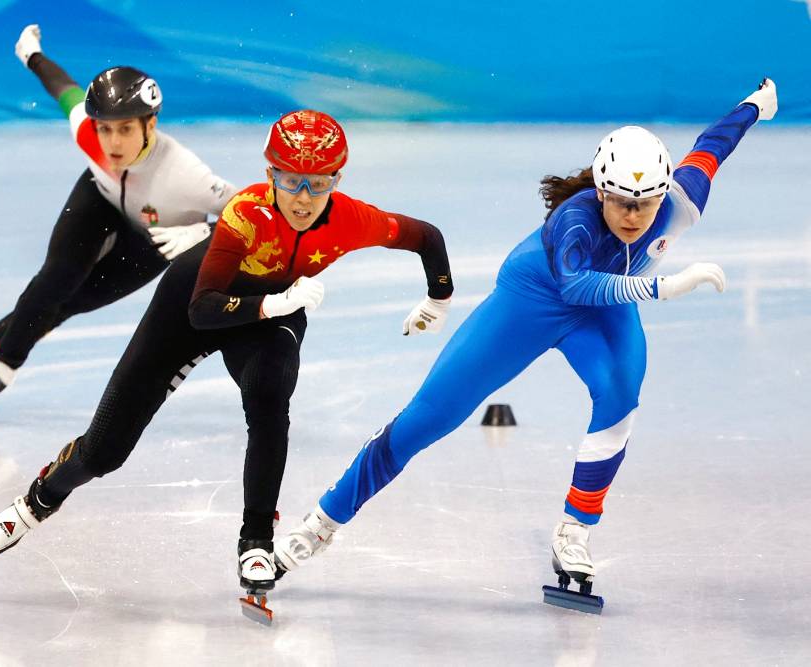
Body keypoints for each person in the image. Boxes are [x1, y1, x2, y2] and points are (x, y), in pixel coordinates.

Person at [274, 80, 778, 595]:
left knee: (620, 398)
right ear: (600, 192)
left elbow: (713, 147)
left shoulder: (682, 201)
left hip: (606, 308)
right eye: (620, 203)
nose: (632, 216)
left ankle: (575, 529)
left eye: (644, 204)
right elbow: (576, 285)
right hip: (533, 299)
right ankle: (320, 525)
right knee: (430, 417)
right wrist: (662, 287)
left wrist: (754, 106)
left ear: (662, 193)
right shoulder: (574, 218)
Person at [0, 109, 455, 599]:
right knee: (105, 453)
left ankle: (256, 541)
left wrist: (438, 297)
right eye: (290, 180)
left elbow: (426, 237)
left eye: (317, 183)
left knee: (270, 393)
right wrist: (274, 303)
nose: (303, 198)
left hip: (270, 318)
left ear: (337, 180)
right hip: (191, 306)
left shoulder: (352, 219)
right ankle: (41, 498)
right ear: (270, 174)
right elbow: (203, 310)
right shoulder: (246, 213)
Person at [0, 25, 235, 412]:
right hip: (101, 198)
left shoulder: (186, 175)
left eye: (125, 129)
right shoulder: (90, 135)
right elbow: (64, 89)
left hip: (156, 237)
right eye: (105, 129)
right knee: (55, 280)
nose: (113, 142)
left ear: (150, 125)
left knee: (73, 302)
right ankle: (2, 366)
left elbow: (255, 211)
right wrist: (32, 56)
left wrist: (203, 231)